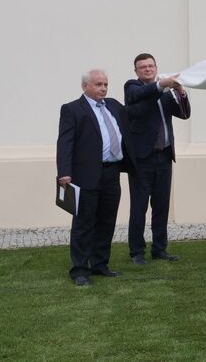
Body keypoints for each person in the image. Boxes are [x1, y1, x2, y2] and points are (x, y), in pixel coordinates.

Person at [56, 69, 136, 286]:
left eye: (105, 84)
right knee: (84, 223)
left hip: (112, 172)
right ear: (85, 86)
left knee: (106, 221)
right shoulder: (72, 109)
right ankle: (80, 270)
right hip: (86, 174)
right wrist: (64, 171)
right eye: (98, 84)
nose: (103, 88)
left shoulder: (113, 106)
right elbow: (65, 142)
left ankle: (100, 264)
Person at [124, 53, 191, 265]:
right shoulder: (132, 87)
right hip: (142, 159)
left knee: (161, 206)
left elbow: (184, 114)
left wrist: (180, 92)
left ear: (156, 67)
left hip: (164, 156)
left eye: (151, 66)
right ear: (136, 71)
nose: (147, 69)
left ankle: (159, 249)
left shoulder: (164, 93)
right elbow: (141, 95)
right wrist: (162, 85)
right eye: (142, 67)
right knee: (139, 207)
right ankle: (137, 252)